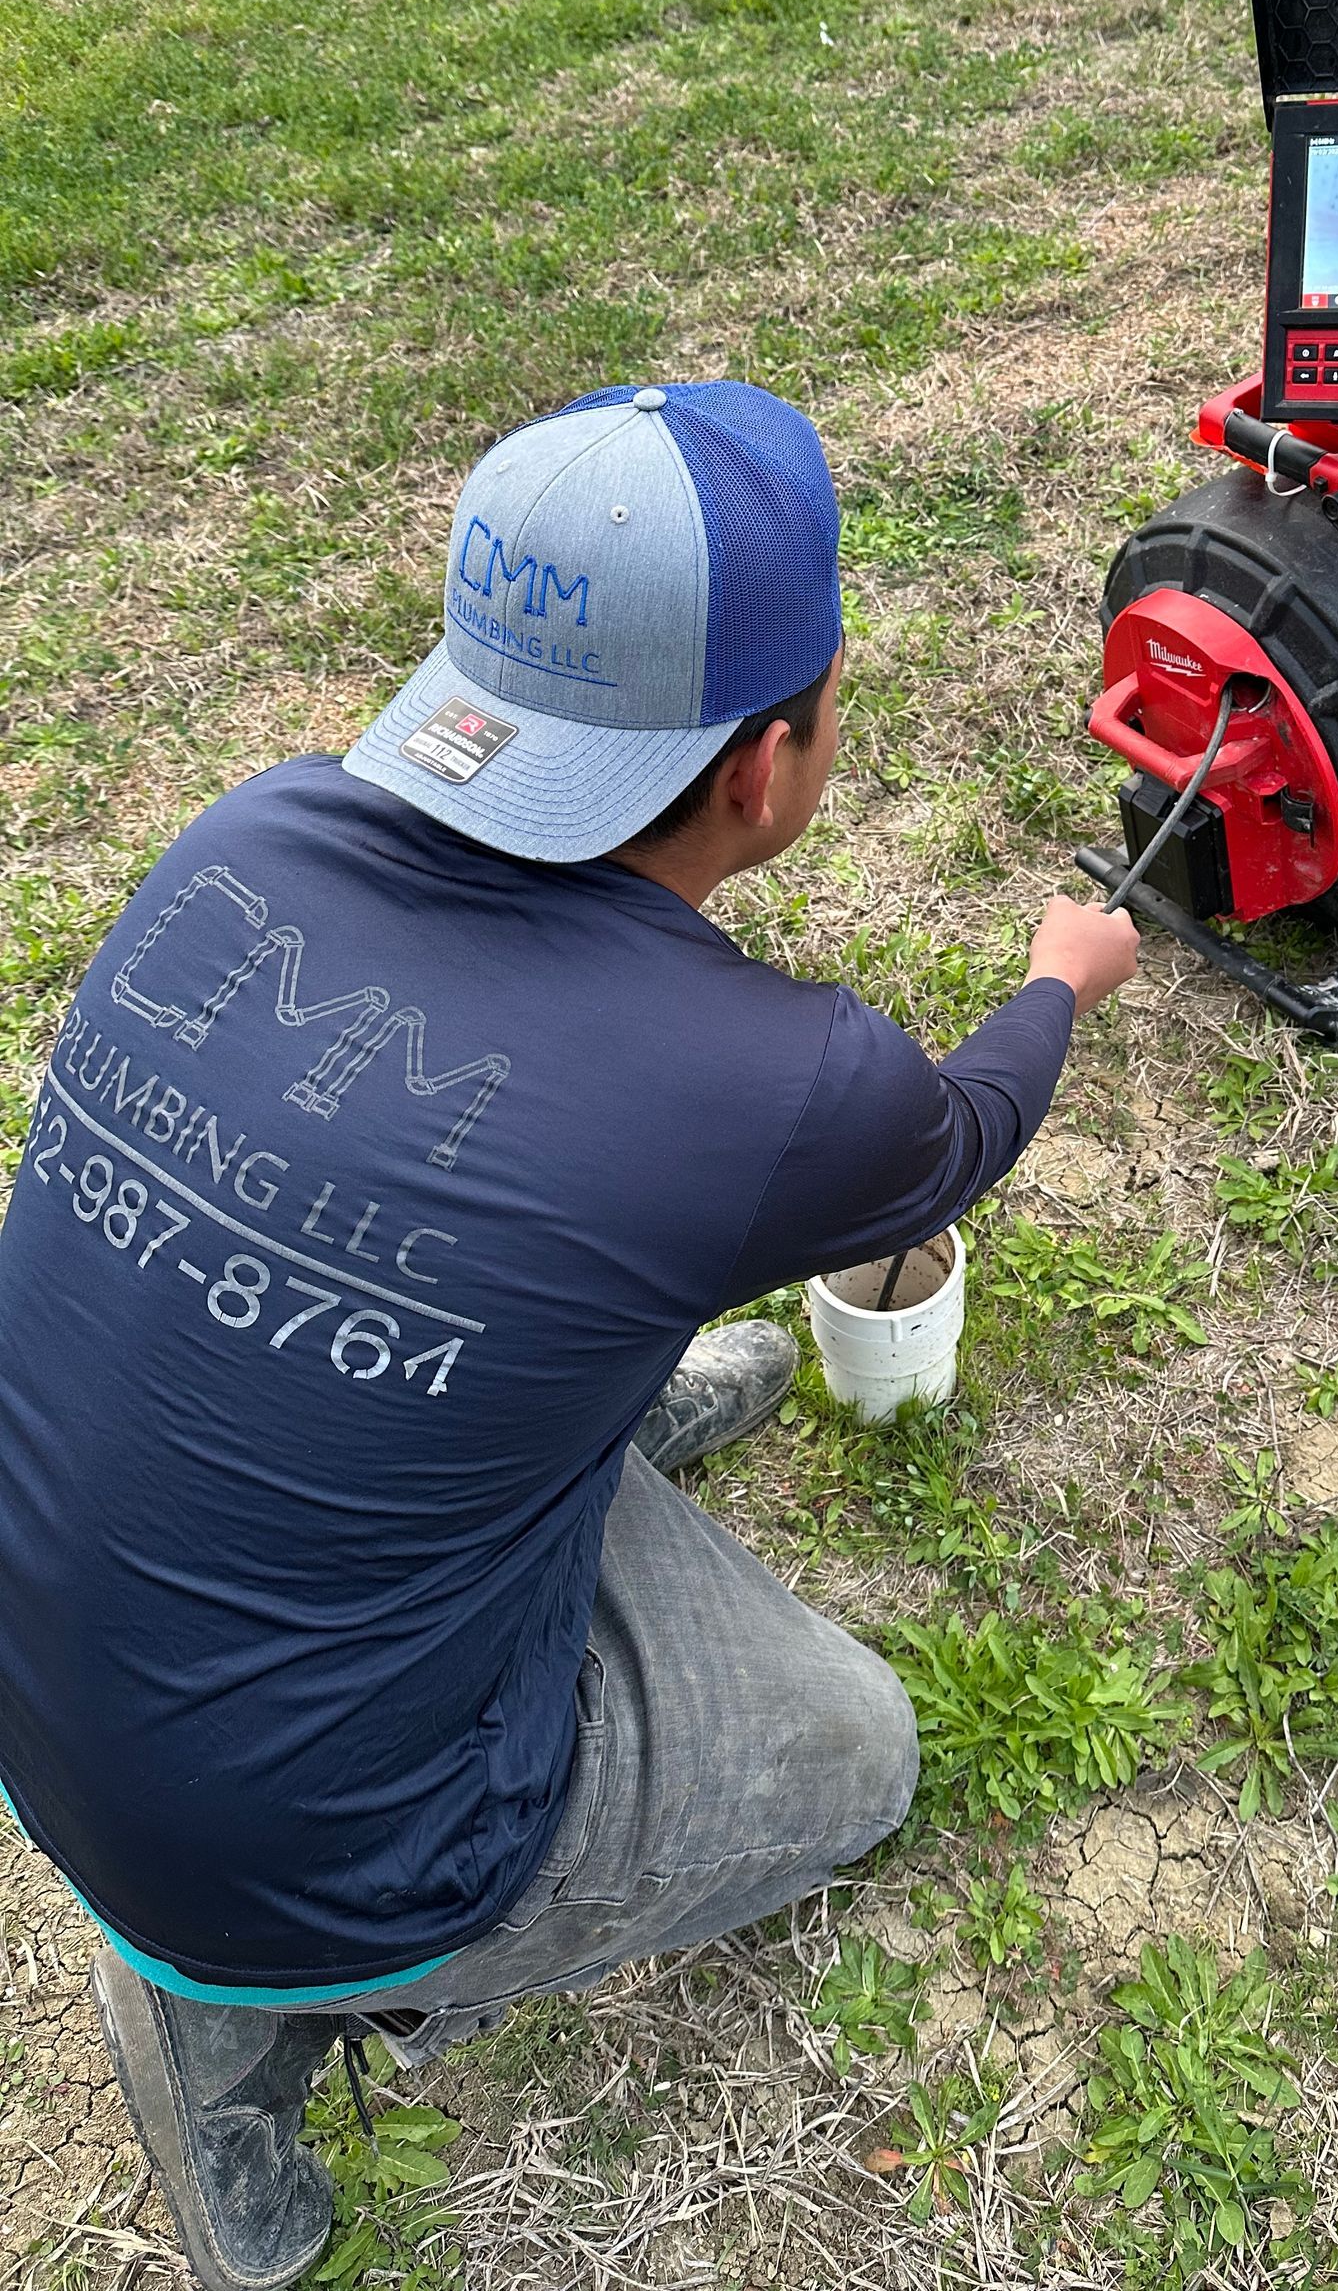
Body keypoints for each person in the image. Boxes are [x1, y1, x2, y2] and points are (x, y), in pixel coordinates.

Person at [0, 380, 1137, 2291]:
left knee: (454, 1321)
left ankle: (565, 1458)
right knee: (852, 1754)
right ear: (769, 765)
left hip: (45, 1661)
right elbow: (968, 1132)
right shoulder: (771, 1083)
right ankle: (236, 2025)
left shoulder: (245, 837)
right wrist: (1061, 974)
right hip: (273, 1829)